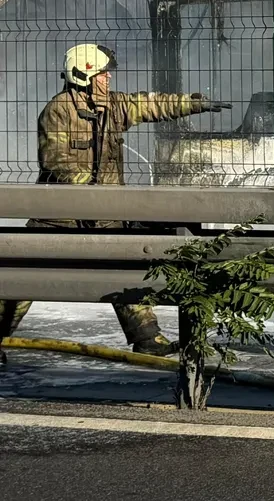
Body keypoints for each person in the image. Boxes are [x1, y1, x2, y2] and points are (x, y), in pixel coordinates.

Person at [0, 44, 230, 360]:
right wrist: (92, 190)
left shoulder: (114, 105)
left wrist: (194, 104)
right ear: (83, 75)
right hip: (59, 217)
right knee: (23, 278)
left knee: (123, 272)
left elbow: (151, 104)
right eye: (102, 73)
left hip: (105, 215)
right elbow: (55, 161)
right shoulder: (58, 110)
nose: (108, 78)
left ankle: (147, 338)